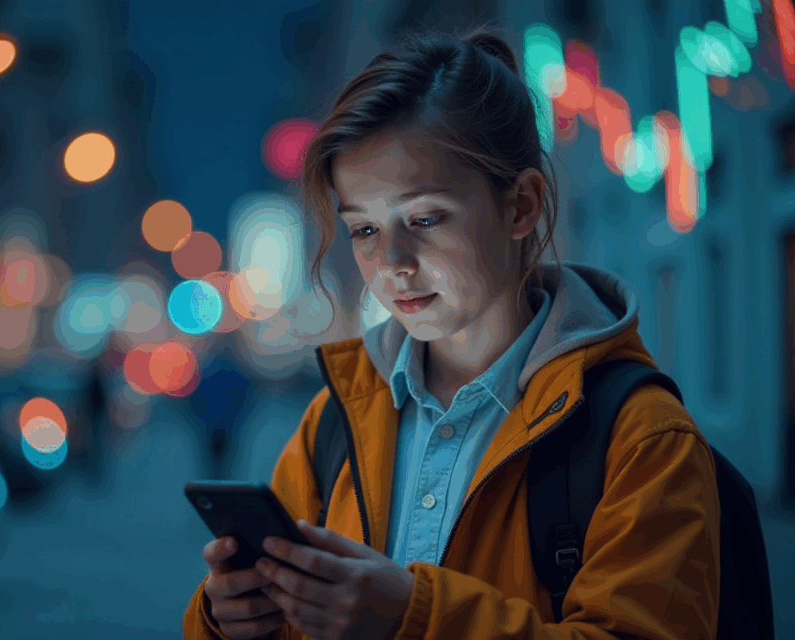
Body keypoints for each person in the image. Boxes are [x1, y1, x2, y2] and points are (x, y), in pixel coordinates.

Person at [183, 27, 720, 640]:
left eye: (424, 218)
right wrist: (226, 619)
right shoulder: (337, 420)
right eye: (364, 230)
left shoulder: (642, 438)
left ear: (521, 207)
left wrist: (411, 618)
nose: (392, 262)